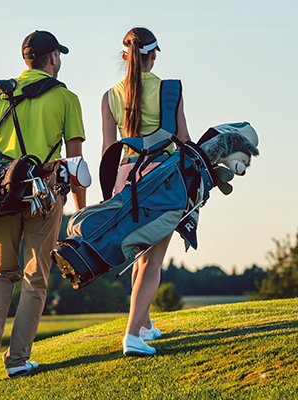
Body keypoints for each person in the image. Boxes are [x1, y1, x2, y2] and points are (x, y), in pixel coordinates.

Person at [0, 30, 86, 382]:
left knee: (1, 273)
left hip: (2, 195)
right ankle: (18, 360)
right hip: (44, 194)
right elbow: (75, 165)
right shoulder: (66, 98)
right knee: (35, 279)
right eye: (59, 55)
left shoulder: (0, 93)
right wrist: (80, 212)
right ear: (53, 58)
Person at [101, 27, 191, 356]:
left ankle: (144, 326)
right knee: (153, 261)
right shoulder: (170, 90)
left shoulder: (109, 96)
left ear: (125, 56)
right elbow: (183, 140)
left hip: (126, 178)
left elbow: (108, 150)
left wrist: (110, 195)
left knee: (139, 256)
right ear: (152, 55)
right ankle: (132, 336)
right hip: (161, 179)